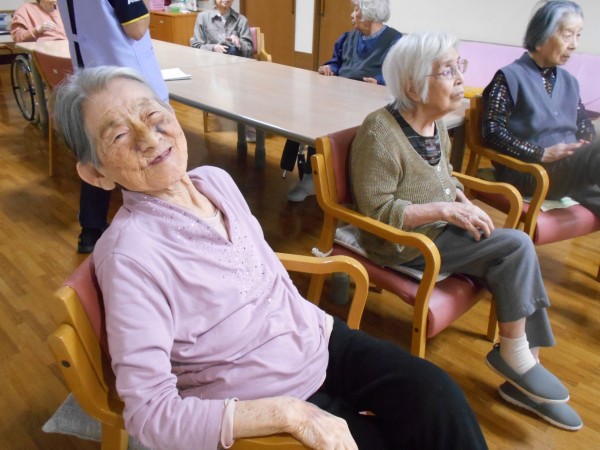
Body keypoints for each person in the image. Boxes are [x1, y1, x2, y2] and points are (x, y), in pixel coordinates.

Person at [53, 65, 488, 450]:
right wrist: (289, 413)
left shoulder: (213, 180)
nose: (150, 137)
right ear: (96, 173)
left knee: (436, 398)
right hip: (258, 391)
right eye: (119, 135)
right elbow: (150, 417)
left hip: (314, 336)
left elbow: (262, 267)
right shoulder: (130, 257)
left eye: (152, 115)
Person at [350, 31, 582, 431]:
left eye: (460, 66)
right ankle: (518, 359)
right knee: (515, 247)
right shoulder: (379, 133)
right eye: (448, 70)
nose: (461, 78)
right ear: (413, 87)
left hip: (439, 230)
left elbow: (445, 178)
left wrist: (462, 201)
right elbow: (379, 211)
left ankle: (525, 367)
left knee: (513, 258)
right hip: (405, 244)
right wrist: (445, 209)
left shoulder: (435, 124)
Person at [56, 0, 169, 254]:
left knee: (98, 153)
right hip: (125, 81)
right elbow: (136, 27)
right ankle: (159, 233)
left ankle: (91, 229)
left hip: (89, 79)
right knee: (150, 154)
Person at [482, 0, 598, 217]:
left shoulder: (569, 81)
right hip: (530, 172)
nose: (574, 44)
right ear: (542, 34)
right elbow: (492, 132)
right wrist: (541, 153)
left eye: (578, 35)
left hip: (569, 170)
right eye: (567, 35)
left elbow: (584, 125)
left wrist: (584, 145)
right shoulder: (509, 77)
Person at [285, 0, 401, 202]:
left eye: (356, 10)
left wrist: (380, 81)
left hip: (371, 103)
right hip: (340, 96)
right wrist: (329, 68)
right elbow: (336, 63)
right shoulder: (347, 38)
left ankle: (352, 183)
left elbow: (399, 75)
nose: (352, 15)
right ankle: (312, 178)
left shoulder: (395, 41)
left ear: (369, 14)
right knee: (317, 116)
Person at [191, 0, 256, 142]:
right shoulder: (203, 17)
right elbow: (196, 44)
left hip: (237, 68)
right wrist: (213, 48)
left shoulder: (241, 20)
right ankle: (238, 119)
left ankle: (249, 125)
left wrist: (238, 41)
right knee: (228, 86)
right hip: (212, 67)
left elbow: (249, 49)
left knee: (246, 85)